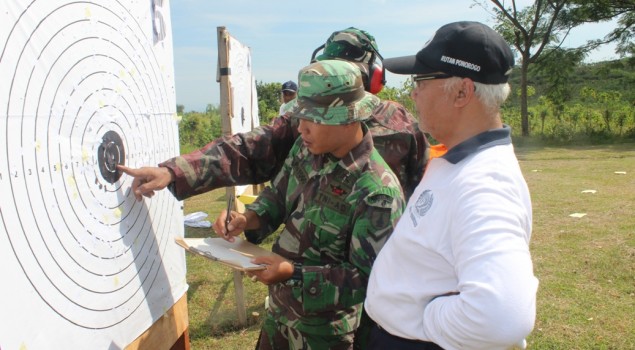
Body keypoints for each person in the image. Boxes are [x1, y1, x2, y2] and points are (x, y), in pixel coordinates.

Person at [364, 21, 539, 350]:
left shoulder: (483, 184)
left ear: (462, 92)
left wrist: (422, 318)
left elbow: (502, 317)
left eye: (421, 80)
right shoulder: (459, 161)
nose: (413, 92)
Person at [213, 59, 405, 350]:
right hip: (279, 316)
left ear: (348, 118)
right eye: (299, 117)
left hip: (325, 337)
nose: (301, 128)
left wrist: (292, 273)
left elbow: (367, 280)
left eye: (312, 119)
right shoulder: (306, 148)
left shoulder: (377, 191)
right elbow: (278, 195)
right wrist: (247, 219)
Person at [117, 27, 428, 203]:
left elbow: (426, 197)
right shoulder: (299, 123)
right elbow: (247, 150)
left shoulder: (401, 126)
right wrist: (174, 172)